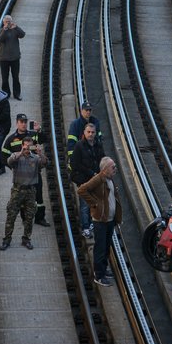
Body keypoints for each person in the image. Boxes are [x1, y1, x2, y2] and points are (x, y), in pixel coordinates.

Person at [77, 157, 122, 287]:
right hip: (100, 220)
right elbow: (81, 190)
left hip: (110, 219)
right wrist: (94, 204)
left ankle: (103, 269)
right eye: (113, 167)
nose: (115, 169)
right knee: (100, 248)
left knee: (106, 247)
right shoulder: (98, 179)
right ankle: (99, 275)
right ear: (105, 169)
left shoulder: (110, 178)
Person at [2, 113, 50, 227]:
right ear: (17, 123)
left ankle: (40, 218)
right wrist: (13, 167)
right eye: (21, 122)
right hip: (21, 176)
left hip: (35, 173)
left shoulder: (33, 135)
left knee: (39, 197)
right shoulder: (11, 139)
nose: (24, 124)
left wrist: (39, 130)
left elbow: (45, 139)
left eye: (25, 122)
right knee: (22, 199)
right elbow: (4, 156)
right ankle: (25, 219)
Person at [0, 137, 47, 251]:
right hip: (17, 190)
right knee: (11, 215)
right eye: (25, 146)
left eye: (29, 146)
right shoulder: (16, 156)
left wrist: (40, 154)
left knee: (29, 216)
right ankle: (7, 239)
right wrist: (21, 152)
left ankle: (26, 239)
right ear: (22, 145)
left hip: (30, 191)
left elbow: (45, 163)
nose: (27, 148)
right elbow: (9, 162)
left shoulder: (35, 158)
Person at [70, 123, 105, 239]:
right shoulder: (79, 146)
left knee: (95, 202)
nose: (91, 134)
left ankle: (92, 224)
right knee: (85, 204)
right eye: (88, 132)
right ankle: (85, 227)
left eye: (93, 132)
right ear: (84, 133)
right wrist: (91, 173)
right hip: (84, 180)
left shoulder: (98, 145)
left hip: (96, 180)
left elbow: (103, 159)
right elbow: (75, 164)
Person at [0, 15, 26, 100]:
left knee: (16, 77)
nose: (8, 23)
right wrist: (5, 30)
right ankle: (6, 94)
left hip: (15, 58)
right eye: (6, 21)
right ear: (3, 22)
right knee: (5, 78)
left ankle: (17, 94)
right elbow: (0, 39)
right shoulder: (0, 31)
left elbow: (22, 34)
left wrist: (16, 27)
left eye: (9, 21)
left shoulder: (15, 30)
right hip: (4, 59)